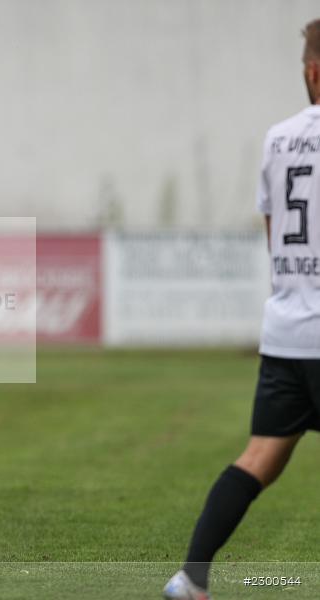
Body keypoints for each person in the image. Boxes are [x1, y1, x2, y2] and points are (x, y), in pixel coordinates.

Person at [164, 19, 320, 600]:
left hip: (287, 332)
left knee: (260, 457)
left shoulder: (278, 138)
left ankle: (191, 578)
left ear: (310, 71)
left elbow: (274, 232)